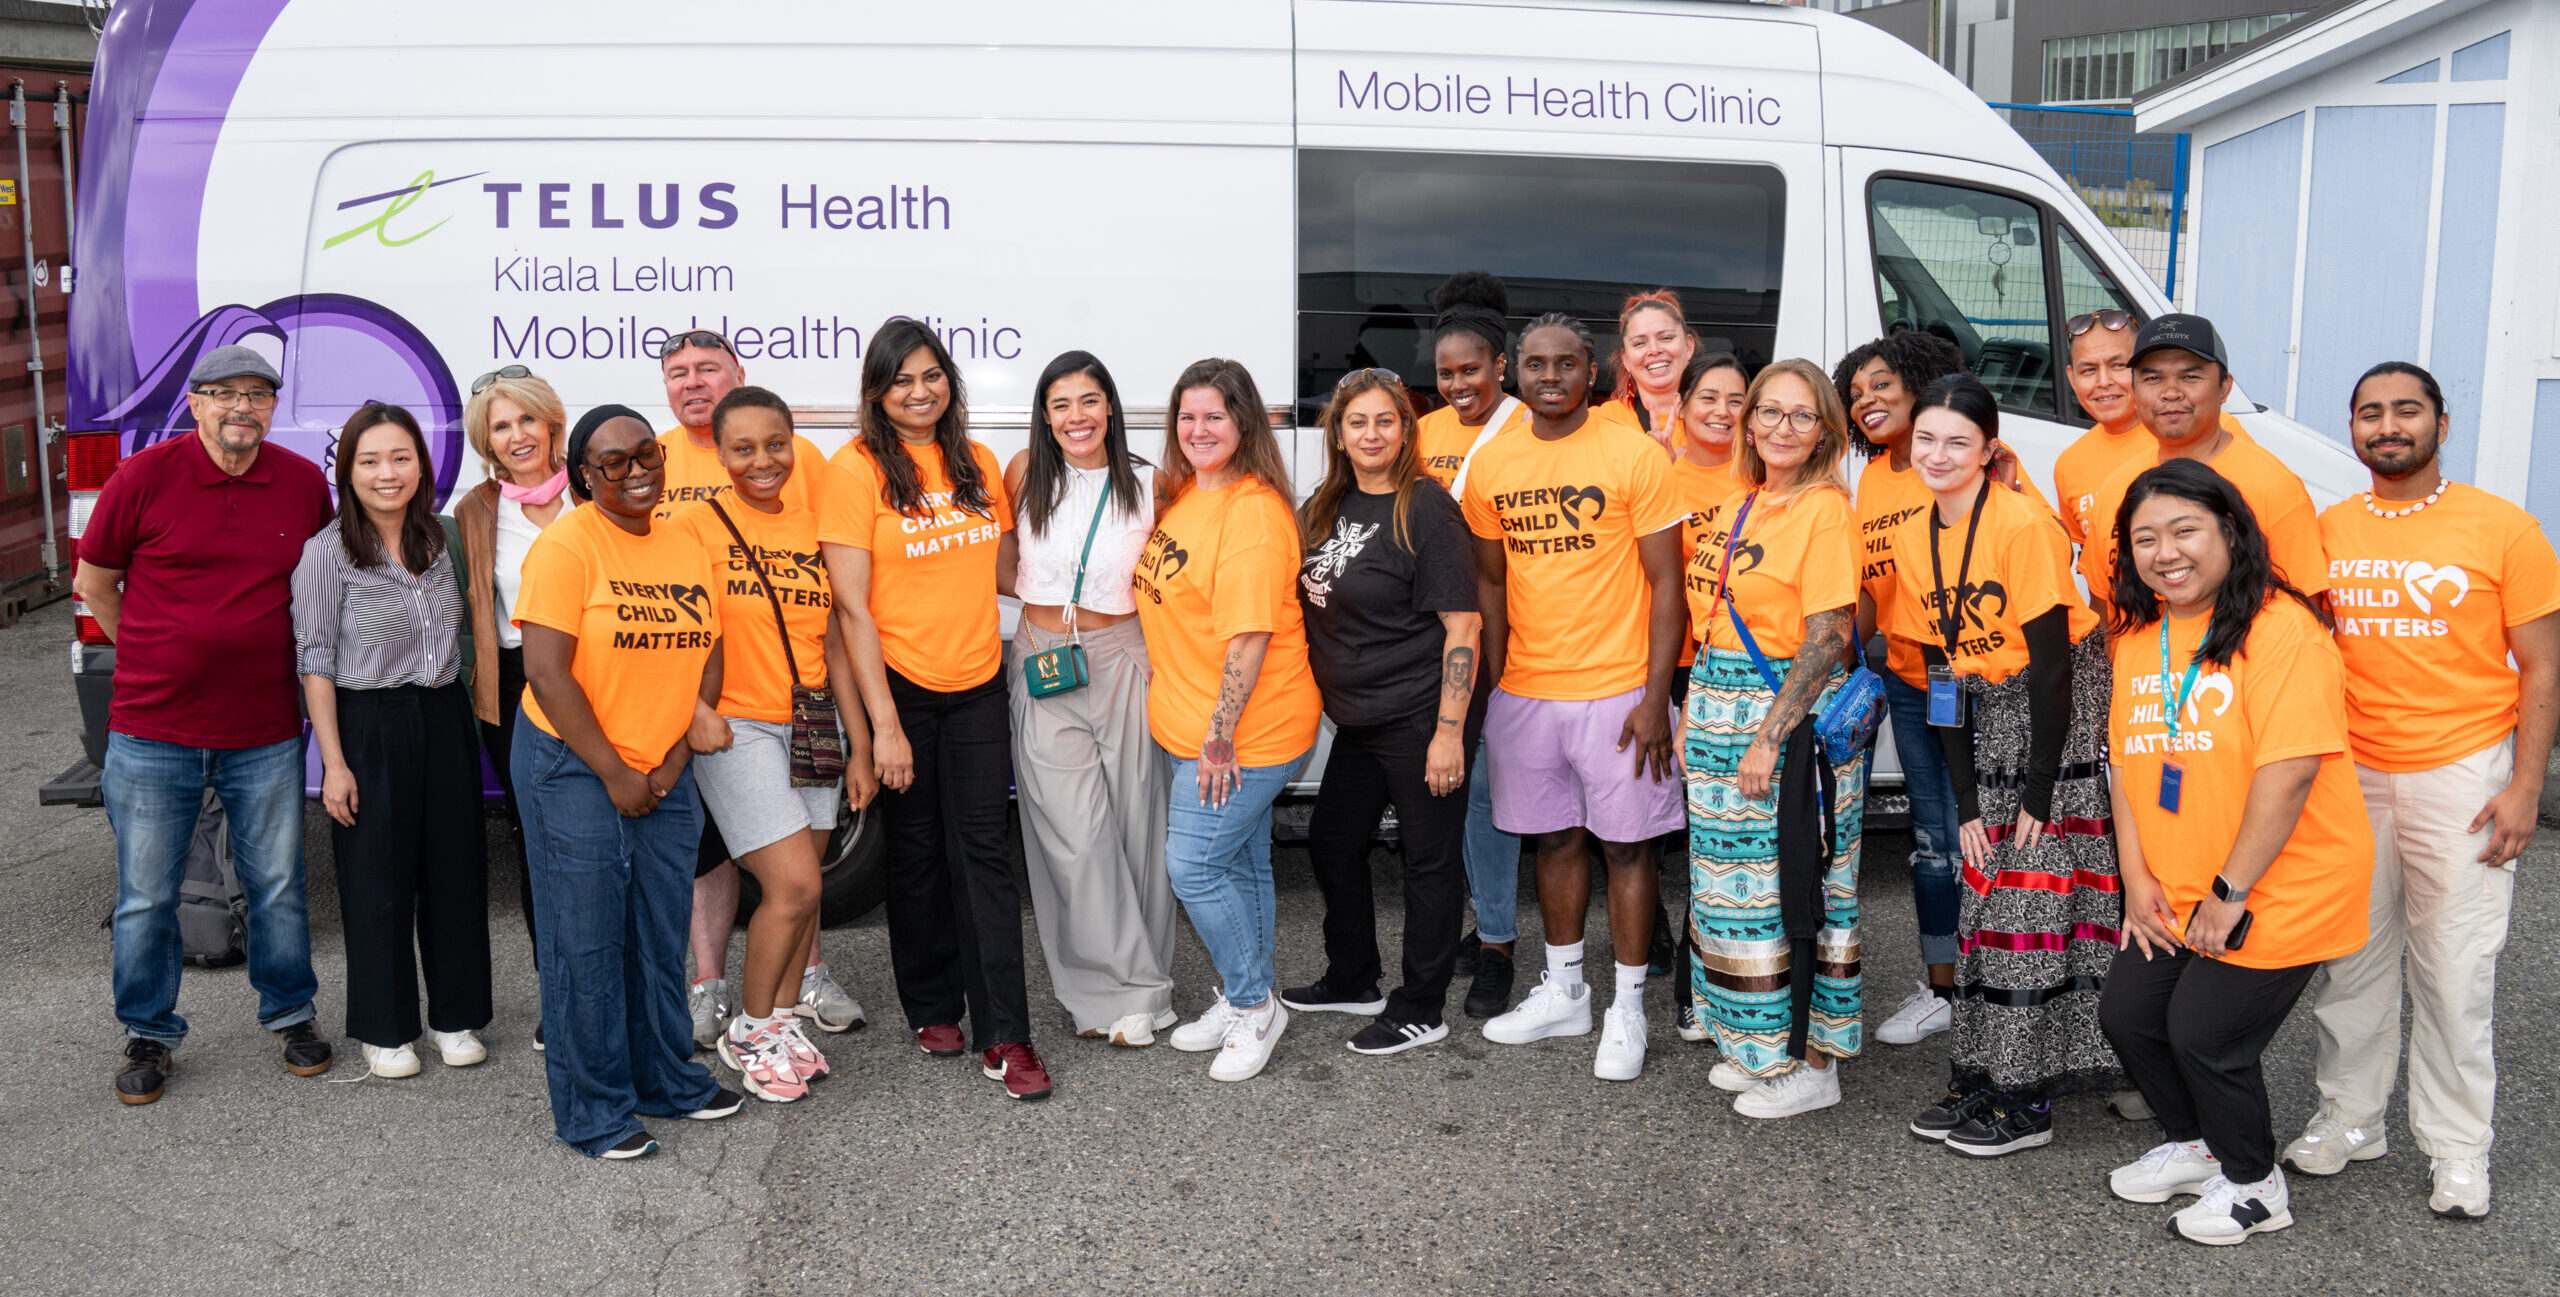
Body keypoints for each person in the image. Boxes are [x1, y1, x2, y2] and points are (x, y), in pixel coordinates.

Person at [2287, 362, 2560, 1219]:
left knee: (2453, 971)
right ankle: (2350, 1116)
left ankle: (2457, 1149)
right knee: (2352, 962)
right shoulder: (2328, 529)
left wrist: (2526, 785)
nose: (2388, 425)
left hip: (2463, 771)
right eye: (2371, 412)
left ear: (2442, 421)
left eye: (2407, 410)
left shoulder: (2504, 528)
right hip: (2351, 774)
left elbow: (2544, 667)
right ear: (2355, 428)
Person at [2098, 458, 2371, 1245]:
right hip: (2177, 884)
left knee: (2206, 1034)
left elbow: (2287, 775)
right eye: (2144, 537)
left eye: (2185, 529)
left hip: (2279, 882)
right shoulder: (2139, 639)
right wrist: (2137, 878)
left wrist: (2229, 889)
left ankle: (2254, 1185)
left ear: (2231, 531)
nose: (2164, 551)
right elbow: (2127, 768)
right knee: (2130, 1014)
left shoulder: (2283, 630)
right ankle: (2197, 1145)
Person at [77, 344, 336, 1103]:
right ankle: (149, 1033)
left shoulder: (298, 484)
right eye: (224, 393)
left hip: (264, 728)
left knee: (279, 884)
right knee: (146, 893)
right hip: (153, 728)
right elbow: (96, 581)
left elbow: (317, 589)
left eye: (257, 395)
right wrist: (155, 653)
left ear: (271, 408)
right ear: (194, 402)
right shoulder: (144, 477)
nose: (241, 408)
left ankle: (292, 1012)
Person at [1881, 375, 2118, 1156]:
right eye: (1926, 439)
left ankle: (2029, 1098)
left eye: (1958, 442)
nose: (1938, 455)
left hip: (2060, 717)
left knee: (2036, 899)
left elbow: (2054, 668)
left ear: (1989, 451)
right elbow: (1942, 674)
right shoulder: (1915, 534)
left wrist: (2040, 801)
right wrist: (1968, 803)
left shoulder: (2021, 524)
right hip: (1989, 713)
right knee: (1984, 898)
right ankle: (1985, 1070)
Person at [821, 317, 1051, 1100]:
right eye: (901, 379)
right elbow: (851, 609)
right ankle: (930, 1002)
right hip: (903, 690)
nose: (919, 391)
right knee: (915, 856)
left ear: (949, 380)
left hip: (979, 680)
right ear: (878, 391)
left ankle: (1007, 1035)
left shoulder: (976, 459)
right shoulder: (853, 470)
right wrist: (882, 724)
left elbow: (1008, 569)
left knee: (983, 854)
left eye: (931, 375)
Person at [512, 404, 744, 1159]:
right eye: (614, 460)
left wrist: (674, 759)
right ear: (584, 474)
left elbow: (706, 647)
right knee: (585, 942)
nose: (637, 469)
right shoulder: (567, 545)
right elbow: (545, 672)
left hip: (664, 763)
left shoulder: (683, 539)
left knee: (655, 931)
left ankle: (665, 1080)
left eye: (647, 453)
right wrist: (614, 771)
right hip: (574, 765)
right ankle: (595, 1110)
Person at [1462, 313, 1685, 1083]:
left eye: (1565, 363)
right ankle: (1566, 990)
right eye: (1534, 364)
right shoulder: (1493, 463)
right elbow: (1491, 581)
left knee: (1627, 846)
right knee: (1552, 840)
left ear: (1592, 370)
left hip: (1619, 690)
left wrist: (1656, 697)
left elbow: (1667, 585)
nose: (1549, 376)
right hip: (1527, 689)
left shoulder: (1633, 451)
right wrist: (1495, 686)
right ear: (1513, 373)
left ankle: (1627, 1006)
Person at [645, 330, 862, 1050]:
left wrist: (861, 742)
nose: (762, 460)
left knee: (804, 886)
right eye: (744, 449)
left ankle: (771, 1017)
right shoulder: (690, 525)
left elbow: (833, 635)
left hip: (815, 723)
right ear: (722, 453)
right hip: (737, 728)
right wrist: (696, 708)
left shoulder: (813, 520)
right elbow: (670, 628)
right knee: (795, 884)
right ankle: (754, 1027)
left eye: (775, 446)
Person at [1682, 357, 1868, 1117]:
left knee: (1802, 889)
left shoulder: (1824, 509)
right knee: (1732, 894)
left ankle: (1813, 1061)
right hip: (1718, 716)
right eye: (1769, 411)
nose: (1781, 427)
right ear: (1749, 421)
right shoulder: (1742, 503)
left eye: (1801, 414)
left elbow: (1827, 638)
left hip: (1782, 724)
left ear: (1825, 429)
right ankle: (1755, 1046)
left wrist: (1767, 737)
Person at [1134, 357, 1324, 1082]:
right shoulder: (1188, 495)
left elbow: (1248, 637)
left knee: (1193, 864)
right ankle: (1251, 995)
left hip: (1246, 732)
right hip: (1197, 726)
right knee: (1240, 862)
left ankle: (1252, 1003)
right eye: (1187, 415)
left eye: (1215, 415)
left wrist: (1219, 740)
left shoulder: (1251, 511)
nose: (1199, 428)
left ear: (1244, 422)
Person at [1282, 368, 1482, 1055]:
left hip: (1420, 714)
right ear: (1338, 432)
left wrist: (1449, 733)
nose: (1371, 433)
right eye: (1357, 421)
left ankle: (1421, 1006)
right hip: (1359, 717)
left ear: (1406, 429)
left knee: (1429, 860)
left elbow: (1464, 626)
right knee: (1334, 840)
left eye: (1385, 420)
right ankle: (1353, 976)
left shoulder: (1425, 506)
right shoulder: (1327, 502)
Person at [293, 402, 491, 1080]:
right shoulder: (326, 553)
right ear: (347, 470)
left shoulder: (441, 539)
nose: (387, 472)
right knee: (376, 879)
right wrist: (335, 763)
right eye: (370, 460)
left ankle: (454, 1015)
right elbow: (314, 660)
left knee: (454, 869)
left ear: (422, 466)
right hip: (367, 721)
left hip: (442, 713)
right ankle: (386, 1027)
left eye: (400, 457)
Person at [998, 351, 1177, 1048]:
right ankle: (1120, 987)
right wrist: (1051, 605)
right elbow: (1004, 561)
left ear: (1111, 407)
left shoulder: (1149, 481)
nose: (1077, 416)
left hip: (1125, 655)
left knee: (1138, 824)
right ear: (1045, 414)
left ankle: (1143, 987)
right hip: (1045, 659)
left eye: (1089, 400)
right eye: (1061, 403)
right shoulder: (1021, 474)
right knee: (1072, 834)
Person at [1839, 331, 1974, 1047]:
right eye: (1856, 393)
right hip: (1913, 685)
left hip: (1977, 681)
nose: (1868, 401)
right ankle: (1942, 984)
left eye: (1882, 384)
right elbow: (1871, 586)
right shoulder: (1873, 480)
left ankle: (2001, 979)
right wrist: (1846, 659)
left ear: (1922, 383)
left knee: (1984, 836)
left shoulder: (1955, 464)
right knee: (1931, 841)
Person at [1416, 271, 1527, 1020]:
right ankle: (1482, 920)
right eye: (1446, 374)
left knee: (1487, 795)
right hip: (1431, 638)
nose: (1459, 384)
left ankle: (1497, 945)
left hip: (1502, 639)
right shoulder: (1422, 433)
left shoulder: (1527, 427)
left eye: (1471, 370)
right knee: (1446, 787)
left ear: (1500, 364)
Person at [455, 367, 573, 1027]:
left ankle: (628, 984)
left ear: (551, 422)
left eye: (527, 419)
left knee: (618, 832)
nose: (518, 435)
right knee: (541, 843)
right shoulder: (479, 510)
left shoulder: (593, 488)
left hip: (601, 677)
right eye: (502, 426)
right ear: (488, 442)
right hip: (518, 686)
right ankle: (558, 994)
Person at [2077, 314, 2329, 608]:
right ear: (2134, 389)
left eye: (2190, 376)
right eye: (2153, 378)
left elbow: (2307, 616)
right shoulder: (2118, 486)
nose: (2170, 393)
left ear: (2224, 388)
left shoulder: (2273, 488)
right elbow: (2104, 606)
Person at [1664, 351, 1751, 1048]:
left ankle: (1718, 987)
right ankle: (1694, 986)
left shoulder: (1758, 476)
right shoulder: (1658, 473)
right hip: (1677, 670)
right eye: (1710, 397)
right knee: (1696, 833)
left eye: (1736, 399)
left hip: (1742, 676)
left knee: (1730, 835)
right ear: (1682, 402)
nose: (1722, 411)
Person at [2052, 310, 2150, 555]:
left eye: (2118, 365)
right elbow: (2092, 563)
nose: (2103, 381)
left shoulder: (2196, 435)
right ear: (2072, 379)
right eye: (2088, 370)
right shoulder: (2069, 465)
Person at [1595, 288, 1697, 453]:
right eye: (1639, 343)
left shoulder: (1720, 417)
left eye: (1666, 338)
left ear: (1689, 346)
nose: (1654, 350)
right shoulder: (1603, 421)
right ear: (1626, 360)